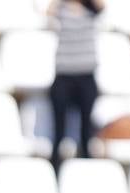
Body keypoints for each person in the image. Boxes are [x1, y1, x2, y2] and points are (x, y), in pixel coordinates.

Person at [47, 0, 103, 170]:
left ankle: (86, 169)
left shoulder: (91, 10)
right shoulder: (61, 9)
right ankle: (56, 170)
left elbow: (102, 6)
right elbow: (49, 12)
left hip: (86, 76)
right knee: (59, 133)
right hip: (64, 75)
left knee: (87, 132)